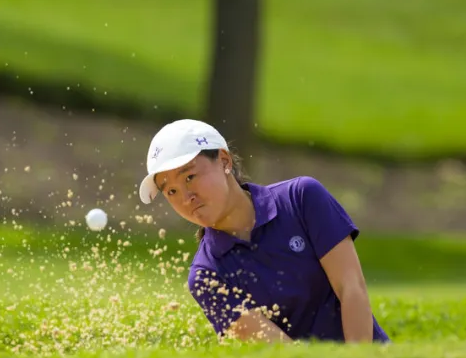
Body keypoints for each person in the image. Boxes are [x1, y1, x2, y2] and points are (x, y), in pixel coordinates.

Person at [138, 119, 390, 344]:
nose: (185, 197)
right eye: (170, 191)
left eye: (190, 177)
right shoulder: (207, 277)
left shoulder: (301, 199)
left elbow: (351, 288)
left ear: (224, 161)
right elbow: (282, 351)